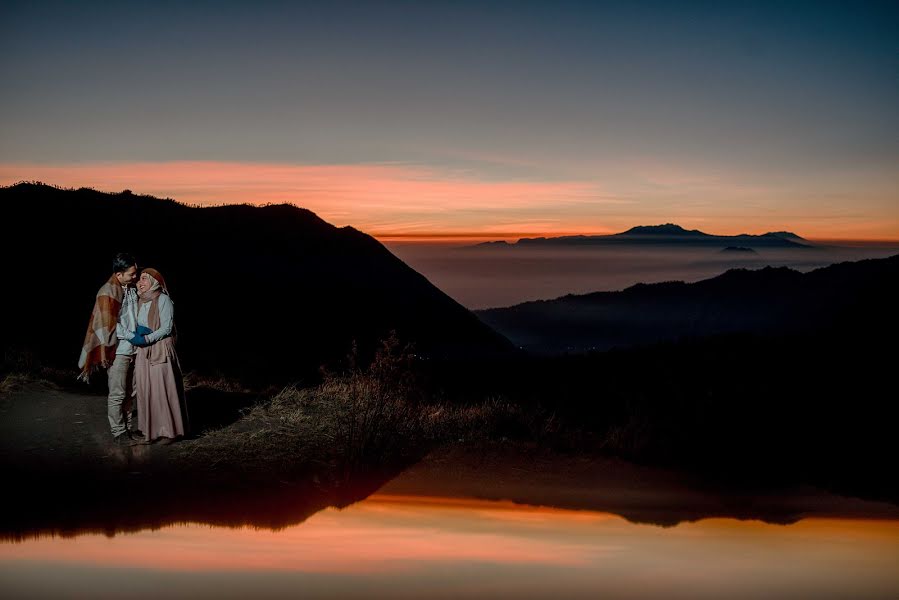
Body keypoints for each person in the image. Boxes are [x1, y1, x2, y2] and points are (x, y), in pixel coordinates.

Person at [78, 252, 143, 445]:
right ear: (118, 273)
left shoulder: (130, 289)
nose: (135, 276)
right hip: (119, 349)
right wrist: (107, 350)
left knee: (131, 392)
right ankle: (118, 432)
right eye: (131, 273)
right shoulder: (107, 292)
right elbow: (106, 325)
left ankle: (128, 429)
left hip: (134, 348)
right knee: (118, 393)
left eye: (135, 272)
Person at [128, 268, 188, 444]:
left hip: (159, 348)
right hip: (143, 350)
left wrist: (147, 338)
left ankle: (169, 432)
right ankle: (148, 431)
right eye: (139, 278)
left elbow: (166, 328)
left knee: (162, 390)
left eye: (145, 278)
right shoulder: (140, 301)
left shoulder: (163, 299)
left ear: (155, 282)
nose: (140, 282)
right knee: (146, 390)